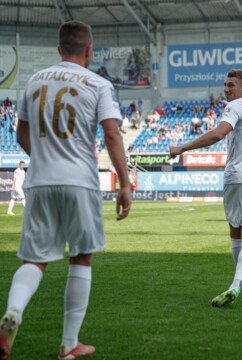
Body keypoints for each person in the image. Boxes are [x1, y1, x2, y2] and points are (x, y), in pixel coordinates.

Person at [0, 21, 131, 360]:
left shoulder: (34, 80)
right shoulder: (99, 84)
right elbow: (113, 135)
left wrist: (45, 157)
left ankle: (13, 312)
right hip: (79, 180)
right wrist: (125, 182)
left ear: (59, 49)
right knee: (81, 257)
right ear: (89, 50)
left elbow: (21, 135)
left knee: (35, 259)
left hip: (40, 180)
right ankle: (69, 344)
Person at [170, 69, 242, 307]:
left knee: (236, 233)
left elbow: (218, 134)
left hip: (239, 177)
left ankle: (234, 286)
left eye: (231, 85)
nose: (226, 89)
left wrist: (183, 148)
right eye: (225, 85)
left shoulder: (235, 107)